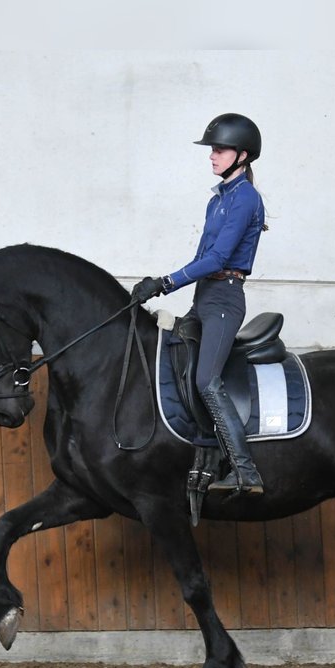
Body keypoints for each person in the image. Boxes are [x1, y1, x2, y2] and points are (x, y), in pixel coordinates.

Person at [132, 113, 267, 494]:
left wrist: (164, 283)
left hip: (224, 298)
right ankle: (195, 454)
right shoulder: (218, 200)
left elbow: (218, 259)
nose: (212, 156)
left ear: (242, 155)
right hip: (203, 297)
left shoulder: (245, 199)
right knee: (174, 362)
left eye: (219, 150)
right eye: (212, 150)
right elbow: (201, 256)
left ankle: (245, 470)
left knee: (208, 381)